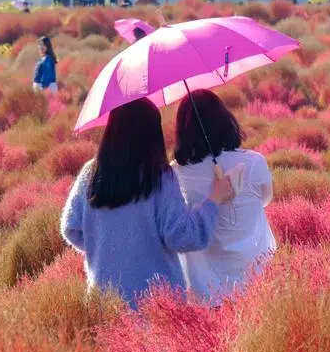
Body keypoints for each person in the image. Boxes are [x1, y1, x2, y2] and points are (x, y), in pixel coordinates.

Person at [59, 97, 234, 308]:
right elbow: (183, 236)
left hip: (105, 303)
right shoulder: (159, 176)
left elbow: (71, 227)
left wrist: (108, 247)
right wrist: (213, 200)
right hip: (157, 307)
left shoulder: (91, 172)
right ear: (152, 134)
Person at [172, 90, 276, 304]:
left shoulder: (175, 173)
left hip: (203, 290)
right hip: (255, 281)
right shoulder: (255, 162)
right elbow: (265, 200)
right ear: (225, 120)